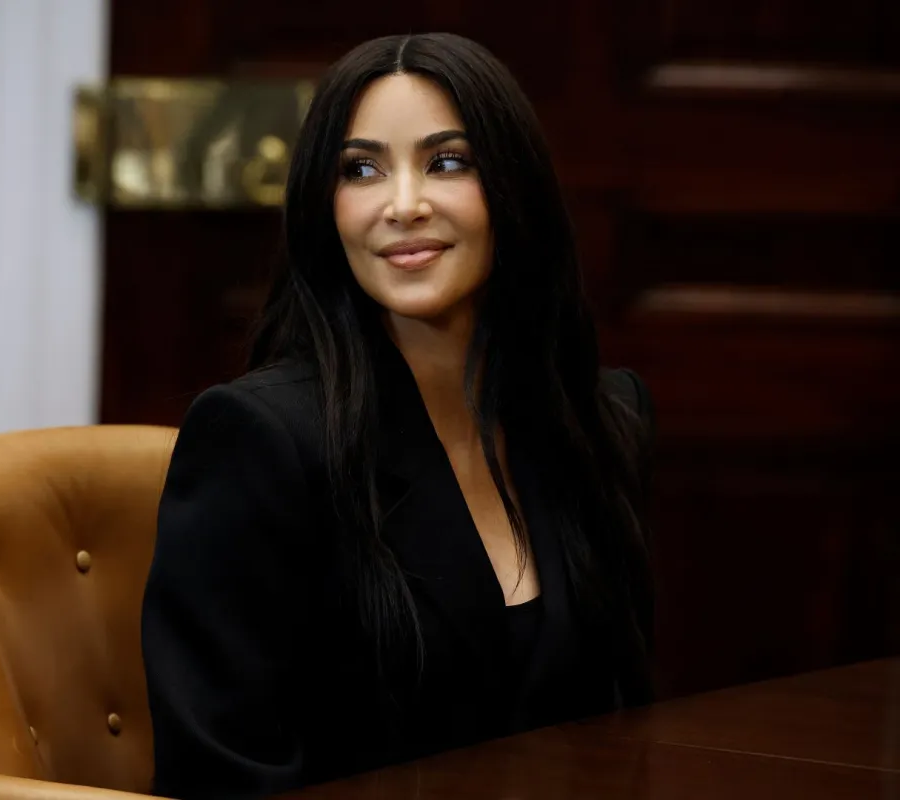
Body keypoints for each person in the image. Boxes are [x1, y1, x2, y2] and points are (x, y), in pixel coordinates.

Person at [141, 32, 656, 799]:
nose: (404, 204)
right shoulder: (258, 440)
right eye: (362, 169)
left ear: (514, 191)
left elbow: (624, 729)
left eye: (447, 162)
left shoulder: (601, 419)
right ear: (327, 206)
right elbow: (223, 775)